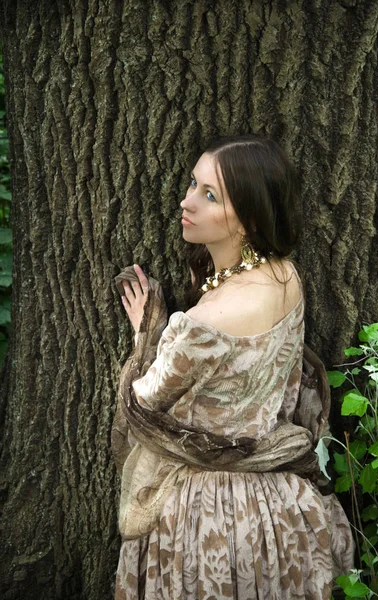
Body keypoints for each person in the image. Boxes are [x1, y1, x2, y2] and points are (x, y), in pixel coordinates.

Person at [112, 134, 354, 600]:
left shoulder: (199, 324)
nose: (187, 202)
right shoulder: (286, 277)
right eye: (193, 185)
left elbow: (142, 407)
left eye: (209, 196)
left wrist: (147, 334)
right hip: (281, 508)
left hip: (207, 516)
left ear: (247, 219)